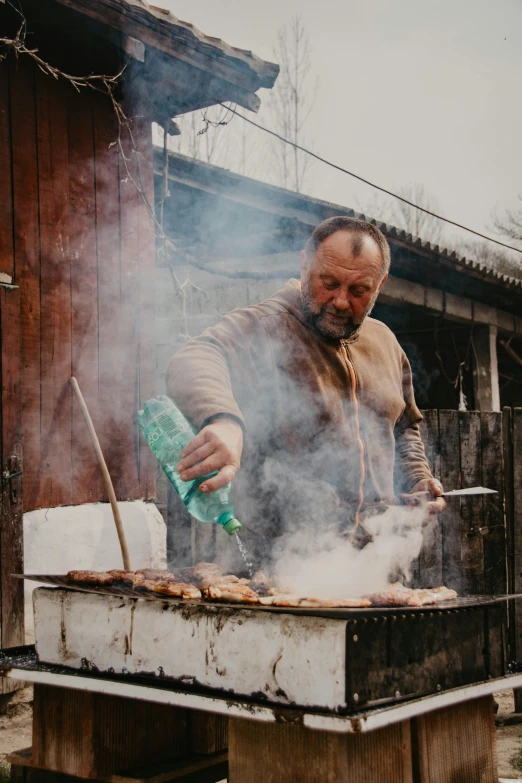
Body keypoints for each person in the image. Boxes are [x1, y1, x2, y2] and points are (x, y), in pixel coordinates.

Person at [167, 216, 446, 567]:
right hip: (274, 565)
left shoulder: (385, 342)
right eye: (328, 282)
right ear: (304, 264)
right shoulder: (264, 326)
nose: (341, 301)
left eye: (359, 290)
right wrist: (223, 421)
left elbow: (403, 426)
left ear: (381, 284)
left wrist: (419, 479)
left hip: (375, 563)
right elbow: (195, 356)